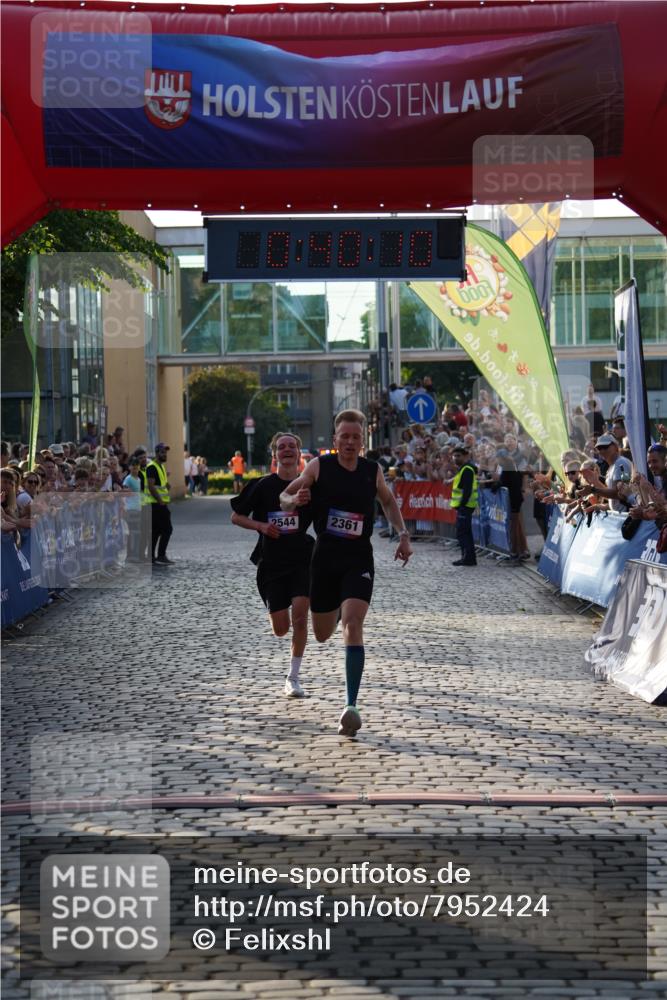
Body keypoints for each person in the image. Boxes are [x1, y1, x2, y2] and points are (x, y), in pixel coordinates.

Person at [279, 409, 412, 738]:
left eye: (356, 437)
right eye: (345, 437)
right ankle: (334, 609)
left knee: (353, 624)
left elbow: (389, 502)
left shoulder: (372, 470)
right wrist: (294, 499)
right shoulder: (318, 466)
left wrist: (404, 535)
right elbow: (283, 498)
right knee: (323, 633)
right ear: (335, 439)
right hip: (324, 559)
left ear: (362, 440)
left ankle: (351, 706)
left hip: (358, 558)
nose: (350, 442)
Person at [231, 432, 314, 698]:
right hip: (271, 563)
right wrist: (261, 526)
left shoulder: (310, 487)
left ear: (299, 453)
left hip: (302, 558)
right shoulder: (263, 485)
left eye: (292, 446)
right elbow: (236, 516)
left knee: (300, 615)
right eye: (282, 447)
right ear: (274, 454)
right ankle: (290, 660)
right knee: (281, 629)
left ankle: (293, 677)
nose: (287, 450)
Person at [450, 445, 478, 566]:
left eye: (458, 456)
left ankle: (468, 558)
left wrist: (461, 505)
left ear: (466, 456)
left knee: (463, 533)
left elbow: (467, 490)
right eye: (454, 456)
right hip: (465, 506)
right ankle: (468, 557)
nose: (456, 458)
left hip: (465, 506)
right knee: (465, 532)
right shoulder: (463, 469)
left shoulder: (467, 469)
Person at [146, 443, 173, 565]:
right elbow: (151, 486)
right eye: (162, 452)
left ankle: (151, 558)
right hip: (156, 504)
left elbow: (159, 484)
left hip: (159, 504)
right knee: (167, 529)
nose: (165, 454)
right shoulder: (152, 467)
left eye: (165, 452)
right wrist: (160, 501)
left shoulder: (160, 466)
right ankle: (161, 555)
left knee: (156, 531)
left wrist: (166, 485)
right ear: (156, 453)